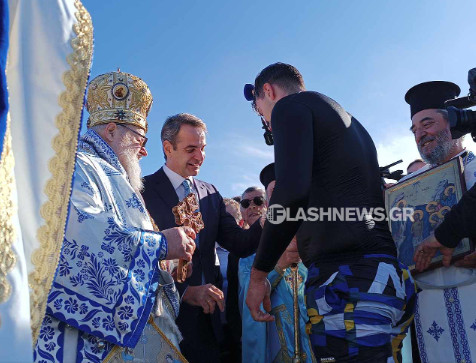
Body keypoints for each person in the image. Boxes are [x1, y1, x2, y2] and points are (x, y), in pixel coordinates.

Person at [243, 62, 416, 362]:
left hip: (347, 282)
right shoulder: (349, 123)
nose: (268, 125)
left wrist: (259, 276)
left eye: (261, 113)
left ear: (267, 91)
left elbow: (292, 191)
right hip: (382, 278)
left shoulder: (288, 108)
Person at [33, 71, 197, 362]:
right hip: (85, 344)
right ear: (110, 130)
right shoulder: (77, 167)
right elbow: (79, 235)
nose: (144, 151)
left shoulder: (116, 179)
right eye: (139, 138)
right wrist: (159, 245)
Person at [141, 113, 262, 363]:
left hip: (210, 326)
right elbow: (139, 257)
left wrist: (270, 219)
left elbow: (240, 243)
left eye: (203, 148)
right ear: (168, 148)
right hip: (163, 323)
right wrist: (185, 292)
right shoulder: (142, 191)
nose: (200, 157)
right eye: (191, 149)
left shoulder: (210, 193)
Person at [400, 81, 476, 362]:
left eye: (427, 124)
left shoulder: (475, 169)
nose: (420, 135)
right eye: (415, 130)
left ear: (453, 123)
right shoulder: (405, 190)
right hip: (427, 304)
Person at [239, 164, 315, 363]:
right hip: (278, 340)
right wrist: (278, 265)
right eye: (275, 191)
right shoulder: (254, 245)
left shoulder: (317, 230)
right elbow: (247, 297)